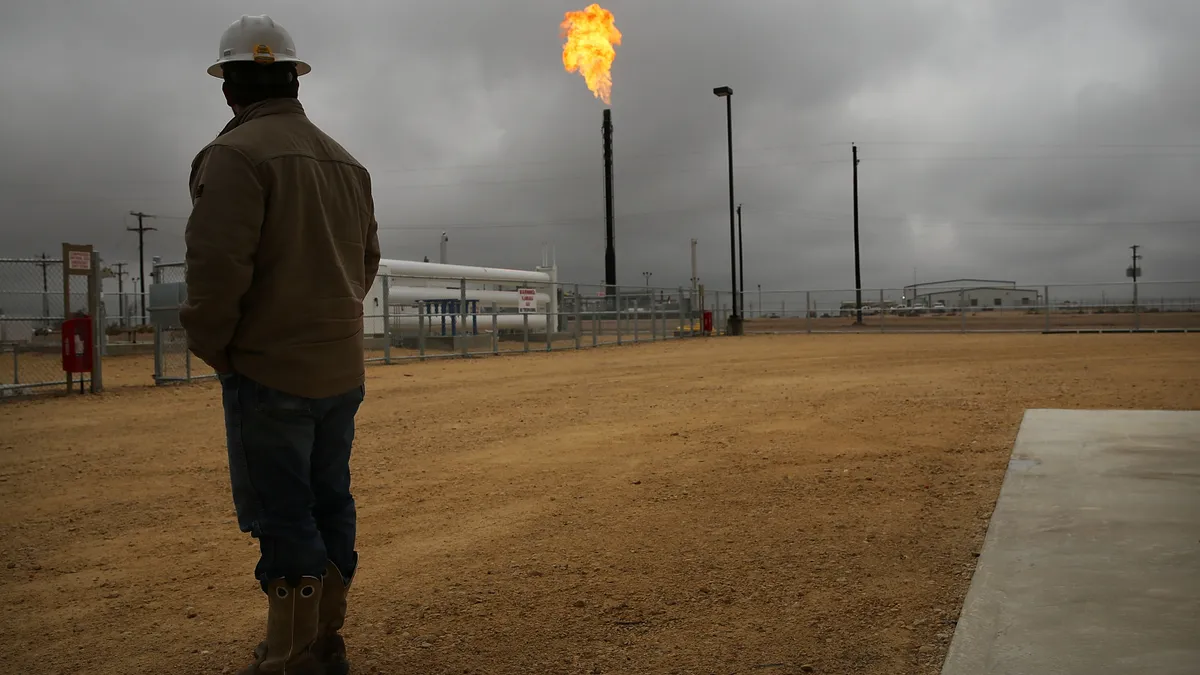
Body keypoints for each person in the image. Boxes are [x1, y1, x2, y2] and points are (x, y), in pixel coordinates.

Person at [179, 14, 381, 675]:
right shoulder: (347, 163)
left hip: (270, 372)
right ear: (295, 80)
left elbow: (216, 269)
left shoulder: (234, 157)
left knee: (284, 509)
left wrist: (220, 348)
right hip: (338, 368)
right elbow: (366, 261)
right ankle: (325, 640)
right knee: (331, 498)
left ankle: (290, 655)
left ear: (229, 87)